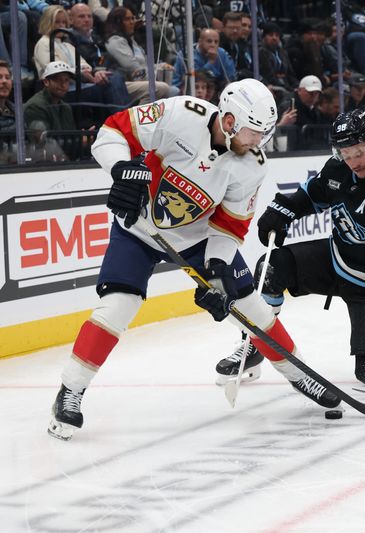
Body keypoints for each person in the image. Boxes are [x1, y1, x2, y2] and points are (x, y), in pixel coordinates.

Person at [47, 79, 340, 442]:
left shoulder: (252, 165)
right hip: (138, 227)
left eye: (264, 134)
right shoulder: (181, 114)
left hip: (198, 241)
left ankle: (299, 373)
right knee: (117, 307)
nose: (259, 142)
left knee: (250, 305)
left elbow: (229, 227)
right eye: (253, 133)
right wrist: (121, 169)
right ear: (230, 119)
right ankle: (71, 390)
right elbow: (111, 132)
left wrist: (217, 271)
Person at [214, 109, 365, 389]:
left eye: (359, 152)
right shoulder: (338, 169)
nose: (353, 161)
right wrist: (282, 211)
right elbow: (308, 195)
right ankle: (256, 344)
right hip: (338, 260)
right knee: (272, 266)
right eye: (346, 153)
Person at [103, 6, 176, 104]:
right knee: (165, 89)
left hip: (141, 79)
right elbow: (133, 68)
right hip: (124, 82)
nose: (132, 22)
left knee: (172, 85)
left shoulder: (131, 40)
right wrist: (157, 70)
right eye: (127, 19)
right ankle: (140, 118)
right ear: (117, 22)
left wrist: (160, 66)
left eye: (133, 18)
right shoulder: (115, 41)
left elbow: (145, 65)